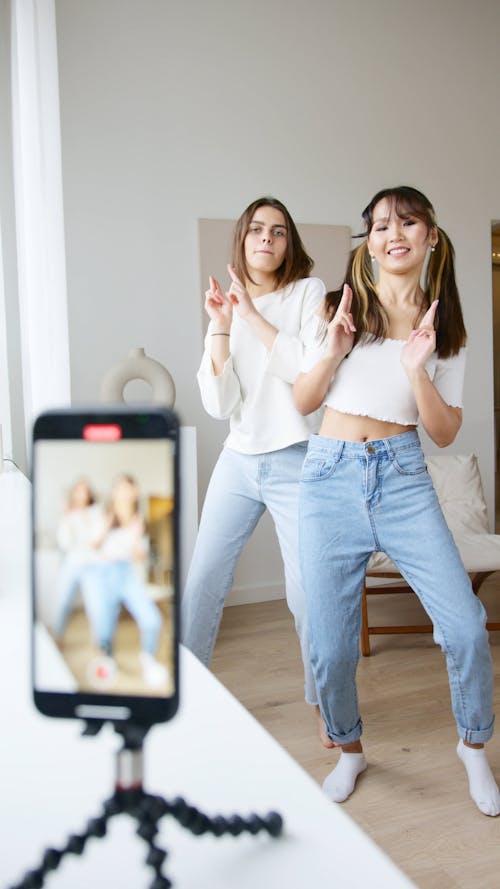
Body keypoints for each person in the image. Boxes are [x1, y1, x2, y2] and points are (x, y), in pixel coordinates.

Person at [294, 185, 500, 815]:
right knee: (328, 647)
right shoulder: (341, 307)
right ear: (370, 241)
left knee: (465, 629)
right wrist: (331, 351)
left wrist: (418, 369)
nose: (394, 233)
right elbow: (304, 402)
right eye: (381, 225)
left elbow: (443, 430)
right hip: (329, 477)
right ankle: (351, 751)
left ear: (431, 236)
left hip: (404, 479)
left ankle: (473, 747)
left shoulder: (449, 328)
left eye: (408, 222)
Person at [182, 195, 328, 738]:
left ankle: (326, 708)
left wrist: (250, 315)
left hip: (295, 458)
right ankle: (187, 694)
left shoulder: (306, 294)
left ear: (289, 244)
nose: (267, 238)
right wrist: (222, 323)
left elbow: (308, 371)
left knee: (305, 593)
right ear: (242, 239)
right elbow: (220, 405)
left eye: (279, 231)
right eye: (257, 230)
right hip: (238, 461)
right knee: (201, 583)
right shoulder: (229, 305)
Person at [81, 474, 168, 688]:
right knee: (104, 628)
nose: (125, 492)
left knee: (152, 620)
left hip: (127, 573)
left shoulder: (139, 519)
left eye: (129, 488)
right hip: (102, 573)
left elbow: (140, 556)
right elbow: (92, 546)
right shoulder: (101, 514)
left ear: (135, 493)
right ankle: (107, 659)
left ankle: (148, 660)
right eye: (120, 488)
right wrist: (107, 524)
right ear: (114, 492)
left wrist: (137, 535)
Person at [53, 478, 103, 638]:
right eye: (79, 490)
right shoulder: (68, 514)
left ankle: (101, 644)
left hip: (91, 565)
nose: (82, 494)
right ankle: (57, 637)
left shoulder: (96, 512)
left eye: (85, 490)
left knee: (96, 607)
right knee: (62, 603)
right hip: (72, 564)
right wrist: (67, 516)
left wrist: (84, 519)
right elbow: (65, 543)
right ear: (73, 493)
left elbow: (96, 540)